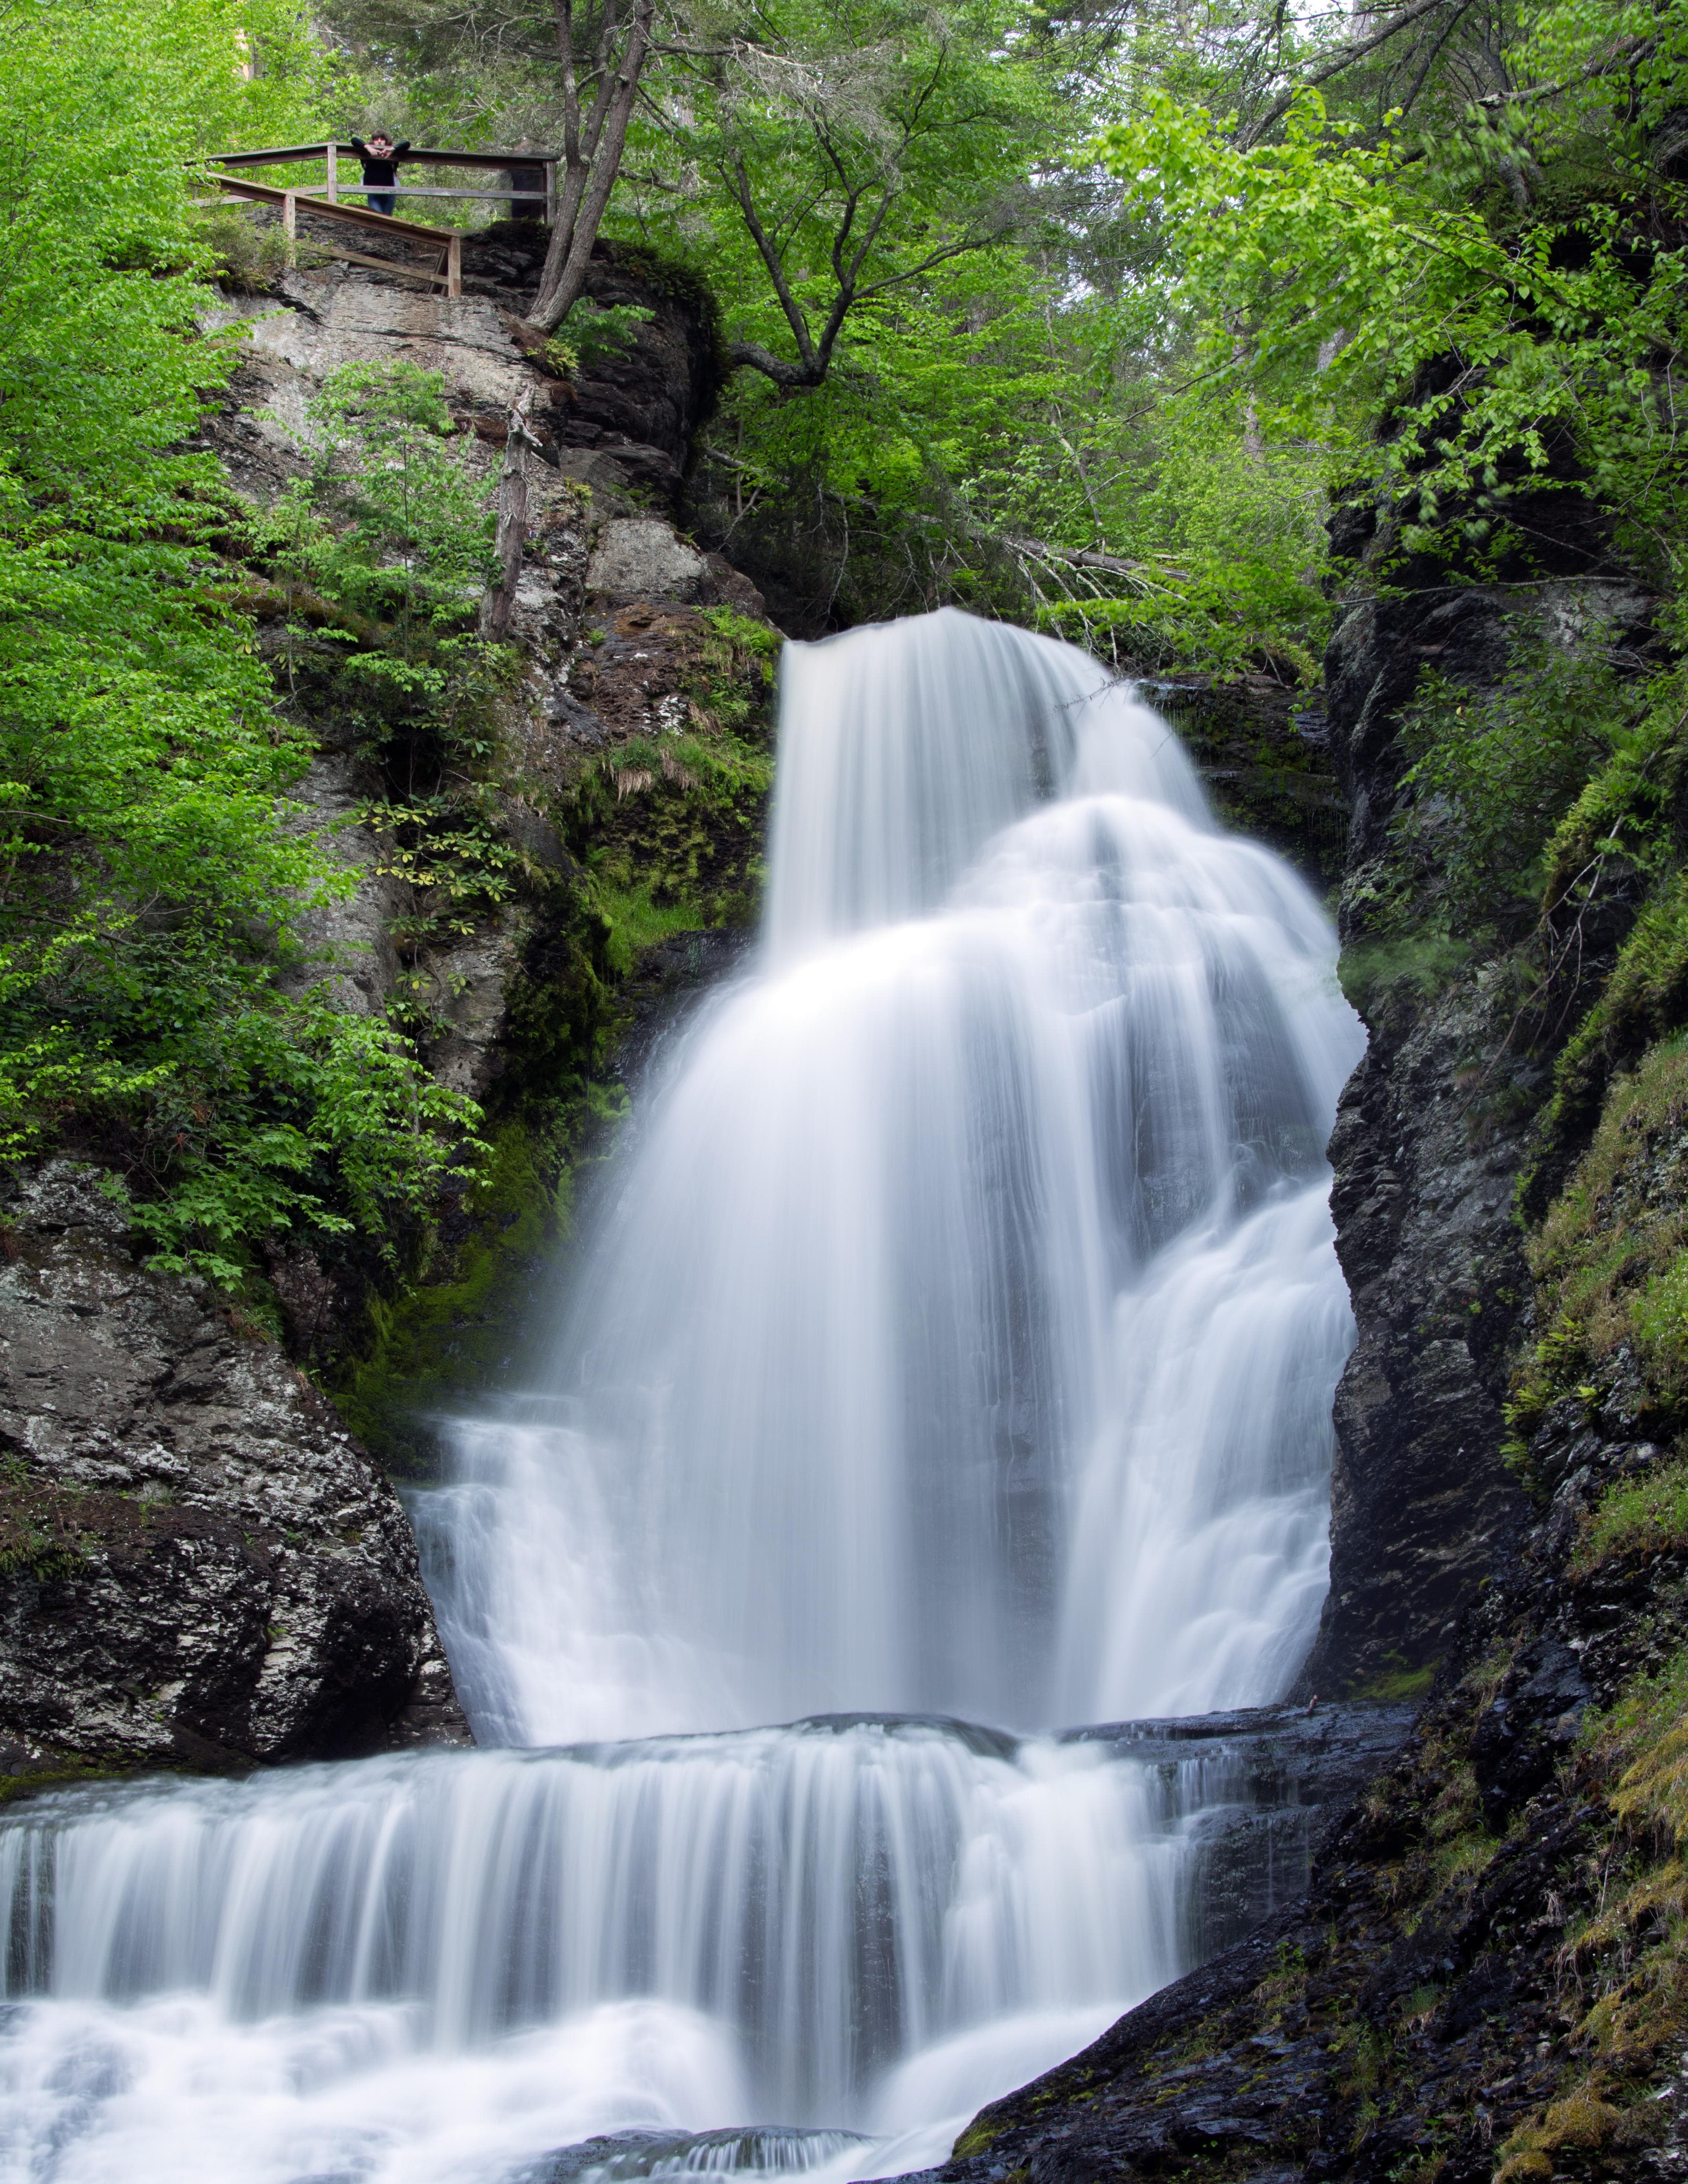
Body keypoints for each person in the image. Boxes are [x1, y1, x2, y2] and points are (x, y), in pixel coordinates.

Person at [349, 131, 410, 217]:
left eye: (382, 139)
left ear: (386, 140)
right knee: (378, 217)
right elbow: (354, 140)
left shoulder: (391, 153)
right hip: (373, 193)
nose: (379, 141)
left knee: (387, 219)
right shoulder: (367, 152)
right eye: (376, 139)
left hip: (389, 193)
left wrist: (393, 149)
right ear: (373, 141)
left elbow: (407, 143)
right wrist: (368, 147)